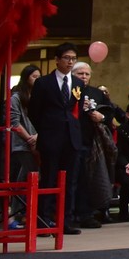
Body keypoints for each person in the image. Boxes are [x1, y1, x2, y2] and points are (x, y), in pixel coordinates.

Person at [29, 43, 83, 234]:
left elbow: (77, 110)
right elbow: (34, 111)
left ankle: (65, 221)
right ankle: (44, 220)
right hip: (51, 136)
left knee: (69, 181)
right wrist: (46, 129)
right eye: (67, 58)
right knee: (49, 179)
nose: (70, 62)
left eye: (73, 58)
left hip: (72, 137)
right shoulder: (44, 83)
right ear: (57, 60)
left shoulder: (78, 83)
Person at [5, 65, 39, 229]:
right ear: (26, 78)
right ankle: (16, 214)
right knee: (26, 176)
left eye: (39, 77)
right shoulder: (16, 97)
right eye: (34, 77)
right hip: (22, 144)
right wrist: (30, 139)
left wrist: (38, 137)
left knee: (27, 177)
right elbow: (14, 122)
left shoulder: (39, 96)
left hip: (38, 141)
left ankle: (21, 214)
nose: (37, 80)